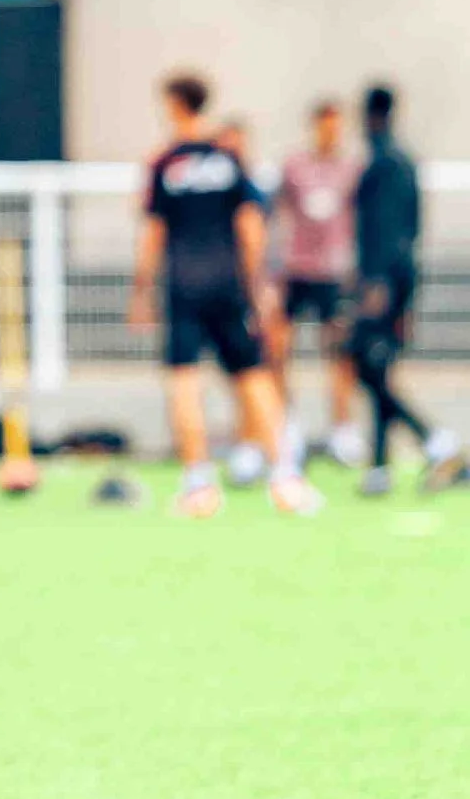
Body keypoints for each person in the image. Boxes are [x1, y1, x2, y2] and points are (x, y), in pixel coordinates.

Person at [128, 75, 313, 518]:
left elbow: (153, 233)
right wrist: (255, 286)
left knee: (184, 380)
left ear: (175, 105)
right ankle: (286, 478)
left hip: (183, 286)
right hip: (227, 284)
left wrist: (141, 291)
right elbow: (251, 226)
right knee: (252, 374)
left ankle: (199, 485)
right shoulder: (228, 157)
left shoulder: (164, 161)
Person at [350, 83, 459, 492]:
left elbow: (391, 231)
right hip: (396, 280)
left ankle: (436, 442)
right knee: (378, 369)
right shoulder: (399, 161)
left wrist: (377, 284)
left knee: (367, 366)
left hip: (385, 282)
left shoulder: (387, 164)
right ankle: (380, 465)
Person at [270, 98, 363, 462]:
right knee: (280, 347)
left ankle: (342, 428)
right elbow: (278, 216)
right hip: (297, 271)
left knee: (339, 352)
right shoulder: (295, 167)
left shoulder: (351, 170)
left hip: (334, 273)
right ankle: (286, 425)